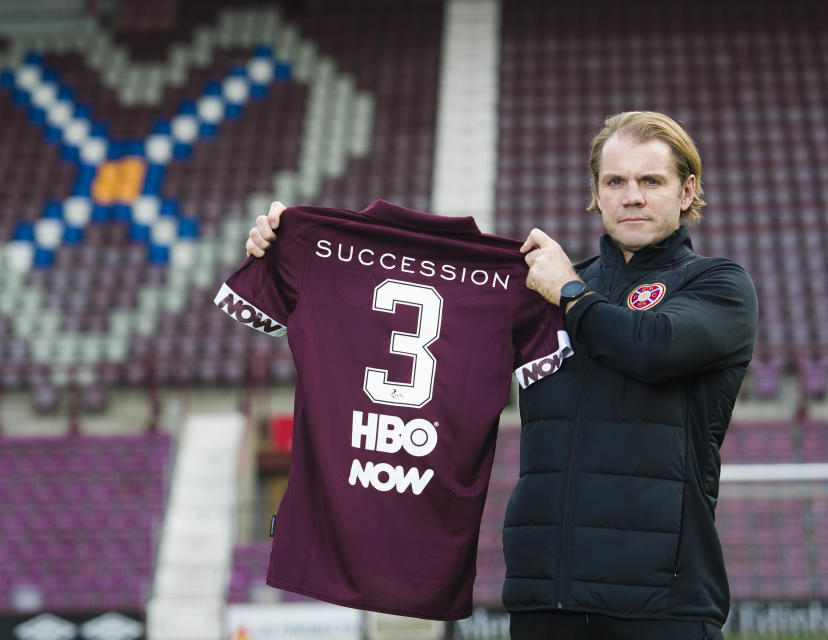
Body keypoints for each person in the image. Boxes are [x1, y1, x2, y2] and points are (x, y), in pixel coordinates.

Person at [244, 111, 757, 639]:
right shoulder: (541, 292)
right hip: (542, 600)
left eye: (651, 180)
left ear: (687, 189)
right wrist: (298, 253)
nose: (632, 196)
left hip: (662, 607)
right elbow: (414, 324)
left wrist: (570, 293)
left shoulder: (717, 286)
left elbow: (652, 347)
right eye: (615, 181)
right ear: (597, 193)